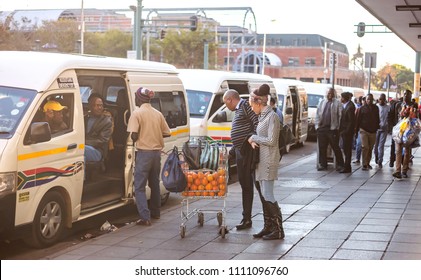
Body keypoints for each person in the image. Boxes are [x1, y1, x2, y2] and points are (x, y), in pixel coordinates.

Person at [127, 87, 171, 226]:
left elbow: (133, 135)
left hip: (144, 153)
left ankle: (145, 217)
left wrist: (141, 135)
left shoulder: (137, 113)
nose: (135, 99)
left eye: (135, 97)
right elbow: (167, 132)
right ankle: (156, 213)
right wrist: (153, 134)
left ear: (139, 99)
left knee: (139, 187)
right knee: (154, 184)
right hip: (156, 154)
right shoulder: (157, 114)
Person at [248, 88, 284, 240]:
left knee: (268, 194)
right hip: (262, 160)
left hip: (269, 160)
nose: (251, 107)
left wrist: (254, 138)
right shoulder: (263, 116)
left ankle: (278, 229)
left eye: (251, 105)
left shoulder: (272, 117)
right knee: (264, 194)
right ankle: (269, 226)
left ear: (258, 102)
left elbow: (271, 140)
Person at [223, 89, 258, 230]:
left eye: (226, 103)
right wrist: (231, 152)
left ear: (230, 99)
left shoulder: (244, 105)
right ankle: (246, 217)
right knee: (244, 185)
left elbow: (256, 123)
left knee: (247, 185)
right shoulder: (239, 110)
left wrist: (251, 140)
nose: (226, 106)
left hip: (245, 152)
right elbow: (240, 133)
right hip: (239, 151)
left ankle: (247, 219)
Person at [314, 87, 344, 171]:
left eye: (331, 93)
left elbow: (340, 116)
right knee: (322, 147)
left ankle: (341, 164)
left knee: (335, 147)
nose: (329, 95)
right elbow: (317, 115)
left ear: (334, 94)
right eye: (328, 93)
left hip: (332, 129)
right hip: (322, 128)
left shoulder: (337, 103)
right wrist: (317, 127)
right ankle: (323, 164)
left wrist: (338, 128)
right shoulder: (322, 102)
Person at [393, 89, 418, 179]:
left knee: (407, 152)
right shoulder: (398, 105)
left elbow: (416, 117)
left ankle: (404, 170)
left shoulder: (413, 105)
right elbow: (395, 116)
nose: (405, 96)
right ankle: (397, 171)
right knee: (398, 150)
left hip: (408, 131)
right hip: (399, 130)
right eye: (404, 94)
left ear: (411, 96)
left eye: (408, 95)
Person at [84, 93, 113, 162]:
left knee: (79, 150)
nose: (100, 108)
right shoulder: (85, 118)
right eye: (97, 105)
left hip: (98, 150)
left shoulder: (106, 122)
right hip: (84, 146)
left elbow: (102, 140)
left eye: (101, 105)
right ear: (90, 107)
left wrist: (83, 143)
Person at [355, 93, 380, 171]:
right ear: (365, 100)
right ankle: (364, 164)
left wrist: (376, 127)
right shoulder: (361, 109)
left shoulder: (376, 108)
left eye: (371, 99)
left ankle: (368, 162)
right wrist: (356, 131)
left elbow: (377, 119)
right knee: (365, 146)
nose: (369, 100)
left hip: (373, 131)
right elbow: (357, 120)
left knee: (370, 148)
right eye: (368, 99)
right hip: (363, 130)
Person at [339, 92, 355, 173]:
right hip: (344, 131)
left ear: (344, 98)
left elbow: (350, 121)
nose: (340, 99)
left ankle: (347, 166)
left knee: (347, 149)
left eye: (341, 97)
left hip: (347, 132)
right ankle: (347, 166)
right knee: (345, 149)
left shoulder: (350, 107)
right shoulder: (346, 106)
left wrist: (346, 131)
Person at [374, 93, 390, 168]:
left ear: (385, 100)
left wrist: (388, 125)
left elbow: (389, 117)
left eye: (383, 99)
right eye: (380, 99)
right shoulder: (376, 107)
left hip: (384, 129)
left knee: (381, 145)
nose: (381, 101)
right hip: (376, 129)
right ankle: (376, 156)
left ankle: (380, 160)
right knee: (376, 145)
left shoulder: (388, 107)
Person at [388, 93, 403, 167]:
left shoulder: (406, 106)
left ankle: (401, 161)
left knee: (402, 147)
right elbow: (390, 117)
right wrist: (391, 128)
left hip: (403, 130)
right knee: (394, 145)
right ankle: (392, 160)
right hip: (396, 129)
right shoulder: (394, 106)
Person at [353, 96, 365, 164]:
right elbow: (356, 120)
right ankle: (358, 158)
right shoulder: (358, 109)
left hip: (366, 130)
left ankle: (365, 160)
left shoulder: (371, 109)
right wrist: (356, 129)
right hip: (360, 129)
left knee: (365, 146)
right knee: (359, 144)